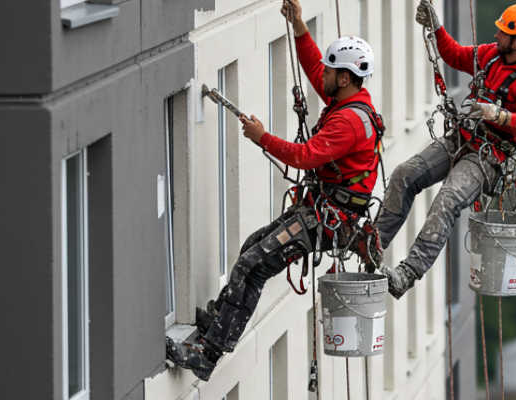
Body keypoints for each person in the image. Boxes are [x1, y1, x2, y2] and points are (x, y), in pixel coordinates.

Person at [164, 0, 386, 381]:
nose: (326, 75)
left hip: (327, 218)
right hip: (323, 210)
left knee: (253, 263)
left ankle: (209, 351)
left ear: (345, 78)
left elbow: (303, 156)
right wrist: (299, 26)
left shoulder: (348, 122)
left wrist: (261, 137)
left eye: (334, 71)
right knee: (252, 248)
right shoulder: (347, 100)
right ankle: (220, 322)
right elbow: (316, 69)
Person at [374, 1, 516, 298]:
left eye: (503, 33)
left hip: (488, 156)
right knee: (405, 174)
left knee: (447, 201)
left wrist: (498, 115)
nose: (496, 35)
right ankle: (373, 246)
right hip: (461, 140)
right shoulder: (491, 57)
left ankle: (407, 273)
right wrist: (436, 27)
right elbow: (454, 55)